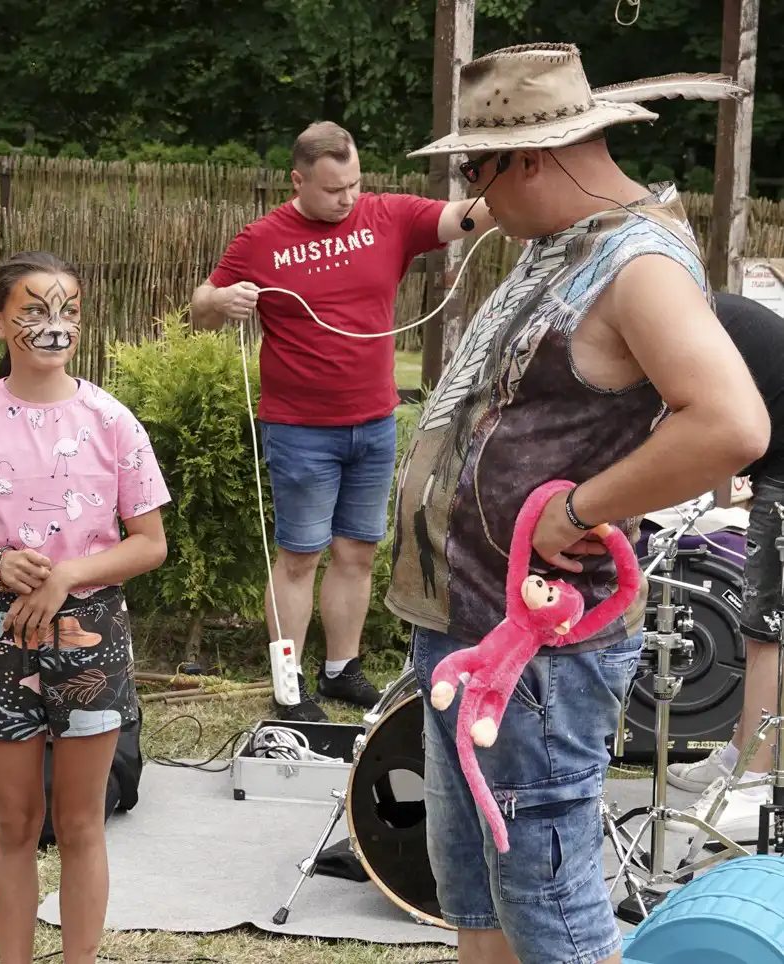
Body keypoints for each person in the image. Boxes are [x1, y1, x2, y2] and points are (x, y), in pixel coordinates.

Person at [386, 44, 769, 964]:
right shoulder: (566, 242)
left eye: (478, 169)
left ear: (535, 156)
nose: (472, 196)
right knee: (476, 894)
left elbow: (731, 423)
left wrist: (582, 508)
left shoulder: (638, 263)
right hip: (467, 628)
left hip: (540, 656)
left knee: (552, 918)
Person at [190, 120, 493, 721]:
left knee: (358, 552)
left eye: (354, 183)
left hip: (375, 424)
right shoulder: (263, 240)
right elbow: (201, 307)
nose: (347, 198)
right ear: (298, 180)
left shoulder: (388, 216)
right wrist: (221, 303)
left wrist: (516, 180)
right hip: (300, 428)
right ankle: (289, 683)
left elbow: (467, 216)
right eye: (332, 190)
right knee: (300, 556)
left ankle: (340, 671)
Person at [0, 251, 170, 964]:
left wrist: (67, 576)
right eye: (33, 311)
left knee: (82, 822)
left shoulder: (111, 421)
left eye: (65, 312)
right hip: (0, 638)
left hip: (92, 635)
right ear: (0, 322)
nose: (51, 326)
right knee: (13, 824)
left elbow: (149, 542)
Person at [666, 290, 784, 838]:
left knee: (772, 626)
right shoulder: (679, 309)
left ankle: (754, 784)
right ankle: (742, 751)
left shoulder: (672, 321)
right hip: (774, 455)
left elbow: (703, 430)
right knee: (760, 622)